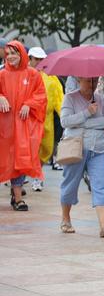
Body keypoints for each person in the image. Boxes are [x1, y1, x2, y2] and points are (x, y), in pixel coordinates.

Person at [59, 77, 104, 237]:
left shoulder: (102, 99)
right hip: (75, 149)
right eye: (87, 81)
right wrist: (87, 113)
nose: (91, 85)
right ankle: (65, 218)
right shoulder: (70, 98)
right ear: (79, 81)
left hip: (99, 149)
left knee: (101, 185)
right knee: (70, 184)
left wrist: (83, 123)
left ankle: (103, 225)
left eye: (94, 81)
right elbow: (65, 121)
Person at [0, 40, 47, 211]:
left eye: (14, 53)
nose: (11, 57)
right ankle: (15, 195)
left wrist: (29, 103)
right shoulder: (2, 74)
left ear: (22, 54)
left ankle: (18, 198)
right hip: (4, 127)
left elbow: (41, 95)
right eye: (8, 54)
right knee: (5, 159)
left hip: (23, 127)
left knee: (20, 160)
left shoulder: (33, 74)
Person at [27, 46, 64, 192]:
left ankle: (37, 173)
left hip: (46, 119)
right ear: (29, 59)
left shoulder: (52, 78)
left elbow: (58, 99)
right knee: (30, 149)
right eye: (36, 59)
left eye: (41, 59)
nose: (39, 62)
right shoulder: (24, 75)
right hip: (28, 119)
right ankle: (32, 176)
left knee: (46, 149)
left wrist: (65, 118)